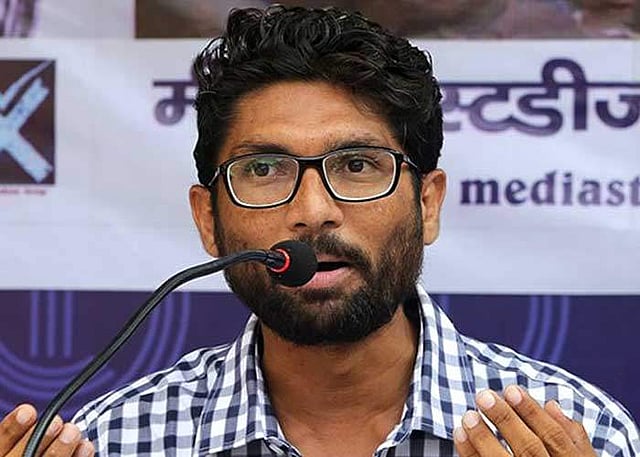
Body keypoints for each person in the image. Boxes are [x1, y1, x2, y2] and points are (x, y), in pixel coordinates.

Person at [1, 5, 639, 457]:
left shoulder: (579, 433)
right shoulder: (114, 440)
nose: (313, 210)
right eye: (264, 169)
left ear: (428, 204)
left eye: (357, 166)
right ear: (207, 220)